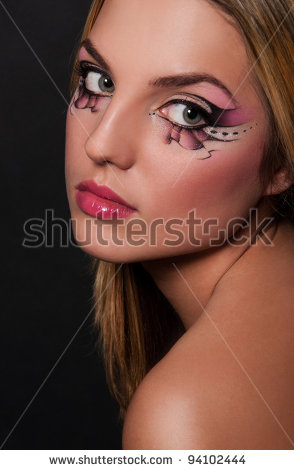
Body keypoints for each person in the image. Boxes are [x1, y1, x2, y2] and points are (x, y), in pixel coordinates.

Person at [65, 0, 294, 449]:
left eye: (188, 113)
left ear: (281, 161)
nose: (101, 142)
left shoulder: (185, 417)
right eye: (100, 81)